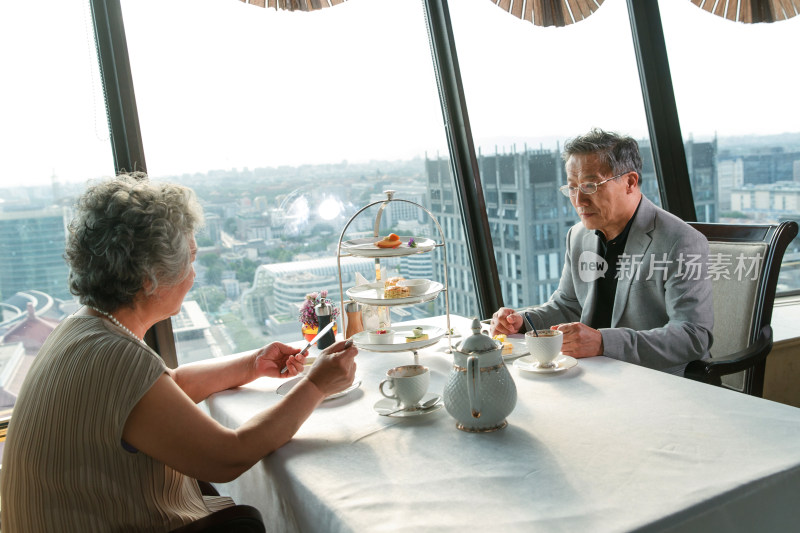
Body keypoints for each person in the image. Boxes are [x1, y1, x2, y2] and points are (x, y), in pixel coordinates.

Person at [0, 174, 358, 531]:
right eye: (189, 259)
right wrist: (316, 385)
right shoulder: (115, 356)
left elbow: (166, 388)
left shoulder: (82, 329)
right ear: (149, 277)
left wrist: (252, 364)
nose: (192, 274)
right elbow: (228, 457)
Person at [491, 128, 713, 371]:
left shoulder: (680, 241)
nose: (579, 201)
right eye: (572, 188)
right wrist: (523, 321)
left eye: (590, 186)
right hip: (590, 371)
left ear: (630, 182)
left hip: (655, 381)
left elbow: (693, 336)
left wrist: (604, 343)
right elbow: (568, 305)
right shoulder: (577, 235)